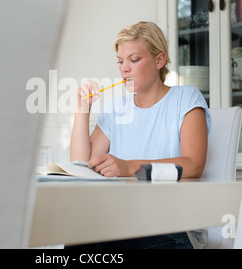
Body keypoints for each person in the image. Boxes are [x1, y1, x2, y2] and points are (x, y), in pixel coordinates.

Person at [68, 21, 212, 249]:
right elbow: (80, 166)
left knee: (108, 244)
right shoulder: (115, 109)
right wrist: (82, 109)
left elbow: (193, 165)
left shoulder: (186, 98)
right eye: (120, 61)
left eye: (134, 60)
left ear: (159, 60)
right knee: (79, 240)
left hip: (174, 225)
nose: (125, 68)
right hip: (124, 220)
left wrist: (128, 167)